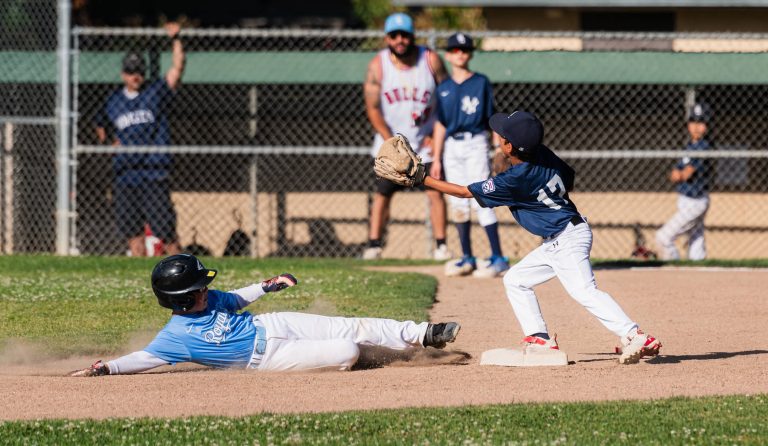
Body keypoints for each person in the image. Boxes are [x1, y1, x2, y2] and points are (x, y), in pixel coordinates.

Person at [409, 111, 661, 364]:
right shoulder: (542, 154)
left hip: (567, 238)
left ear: (510, 146)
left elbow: (465, 193)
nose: (498, 136)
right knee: (516, 280)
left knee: (584, 291)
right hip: (561, 236)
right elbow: (568, 178)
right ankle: (539, 338)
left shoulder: (514, 180)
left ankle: (635, 334)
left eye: (502, 136)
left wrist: (423, 178)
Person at [68, 254, 461, 376]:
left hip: (272, 324)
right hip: (268, 359)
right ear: (185, 298)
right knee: (346, 349)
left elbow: (236, 300)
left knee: (351, 324)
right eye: (200, 287)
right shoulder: (175, 337)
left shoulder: (212, 299)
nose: (207, 289)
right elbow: (143, 358)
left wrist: (265, 287)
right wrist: (108, 369)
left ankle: (423, 333)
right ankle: (383, 353)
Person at [362, 12, 452, 261]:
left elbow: (448, 97)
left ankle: (441, 246)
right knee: (382, 195)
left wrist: (437, 134)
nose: (400, 40)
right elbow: (372, 108)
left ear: (412, 36)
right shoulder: (378, 65)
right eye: (394, 35)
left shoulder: (430, 60)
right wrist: (391, 142)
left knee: (435, 191)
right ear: (387, 38)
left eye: (404, 35)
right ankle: (374, 245)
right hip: (390, 145)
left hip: (424, 142)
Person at [95, 22, 186, 257]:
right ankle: (140, 278)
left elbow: (177, 69)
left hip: (153, 172)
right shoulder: (113, 101)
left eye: (139, 71)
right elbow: (100, 126)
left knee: (166, 232)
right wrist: (109, 143)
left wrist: (176, 39)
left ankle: (184, 274)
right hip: (126, 173)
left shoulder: (154, 92)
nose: (135, 76)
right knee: (133, 233)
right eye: (131, 71)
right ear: (123, 74)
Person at [430, 32, 509, 278]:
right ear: (448, 55)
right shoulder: (443, 88)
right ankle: (467, 257)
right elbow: (441, 124)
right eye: (454, 50)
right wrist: (436, 157)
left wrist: (498, 147)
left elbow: (490, 118)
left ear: (470, 54)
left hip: (475, 142)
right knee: (458, 201)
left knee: (481, 196)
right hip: (452, 146)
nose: (460, 54)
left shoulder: (481, 82)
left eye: (464, 50)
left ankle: (498, 257)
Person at [655, 103, 713, 261]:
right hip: (688, 199)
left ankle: (672, 267)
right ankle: (698, 272)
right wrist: (679, 173)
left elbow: (686, 174)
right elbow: (675, 174)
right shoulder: (690, 146)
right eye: (693, 121)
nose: (696, 126)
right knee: (696, 242)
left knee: (663, 237)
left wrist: (680, 173)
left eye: (701, 122)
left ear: (707, 126)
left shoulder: (703, 146)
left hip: (695, 201)